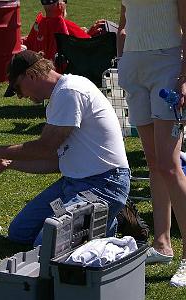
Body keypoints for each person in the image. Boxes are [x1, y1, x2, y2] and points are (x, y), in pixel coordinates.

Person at [0, 50, 130, 246]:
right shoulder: (60, 96)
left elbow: (46, 147)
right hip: (74, 183)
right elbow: (57, 161)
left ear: (31, 75)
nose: (20, 96)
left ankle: (104, 221)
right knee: (19, 233)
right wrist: (10, 163)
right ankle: (99, 221)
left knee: (45, 246)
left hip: (103, 184)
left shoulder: (69, 92)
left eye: (18, 88)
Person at [117, 0, 186, 287]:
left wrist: (183, 77)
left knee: (170, 166)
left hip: (167, 65)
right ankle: (162, 244)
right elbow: (123, 23)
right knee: (155, 163)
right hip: (133, 67)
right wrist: (122, 59)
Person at [22, 0, 107, 61]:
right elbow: (88, 44)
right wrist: (90, 33)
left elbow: (30, 42)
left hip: (41, 71)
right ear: (60, 4)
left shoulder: (38, 25)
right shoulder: (66, 25)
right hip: (63, 70)